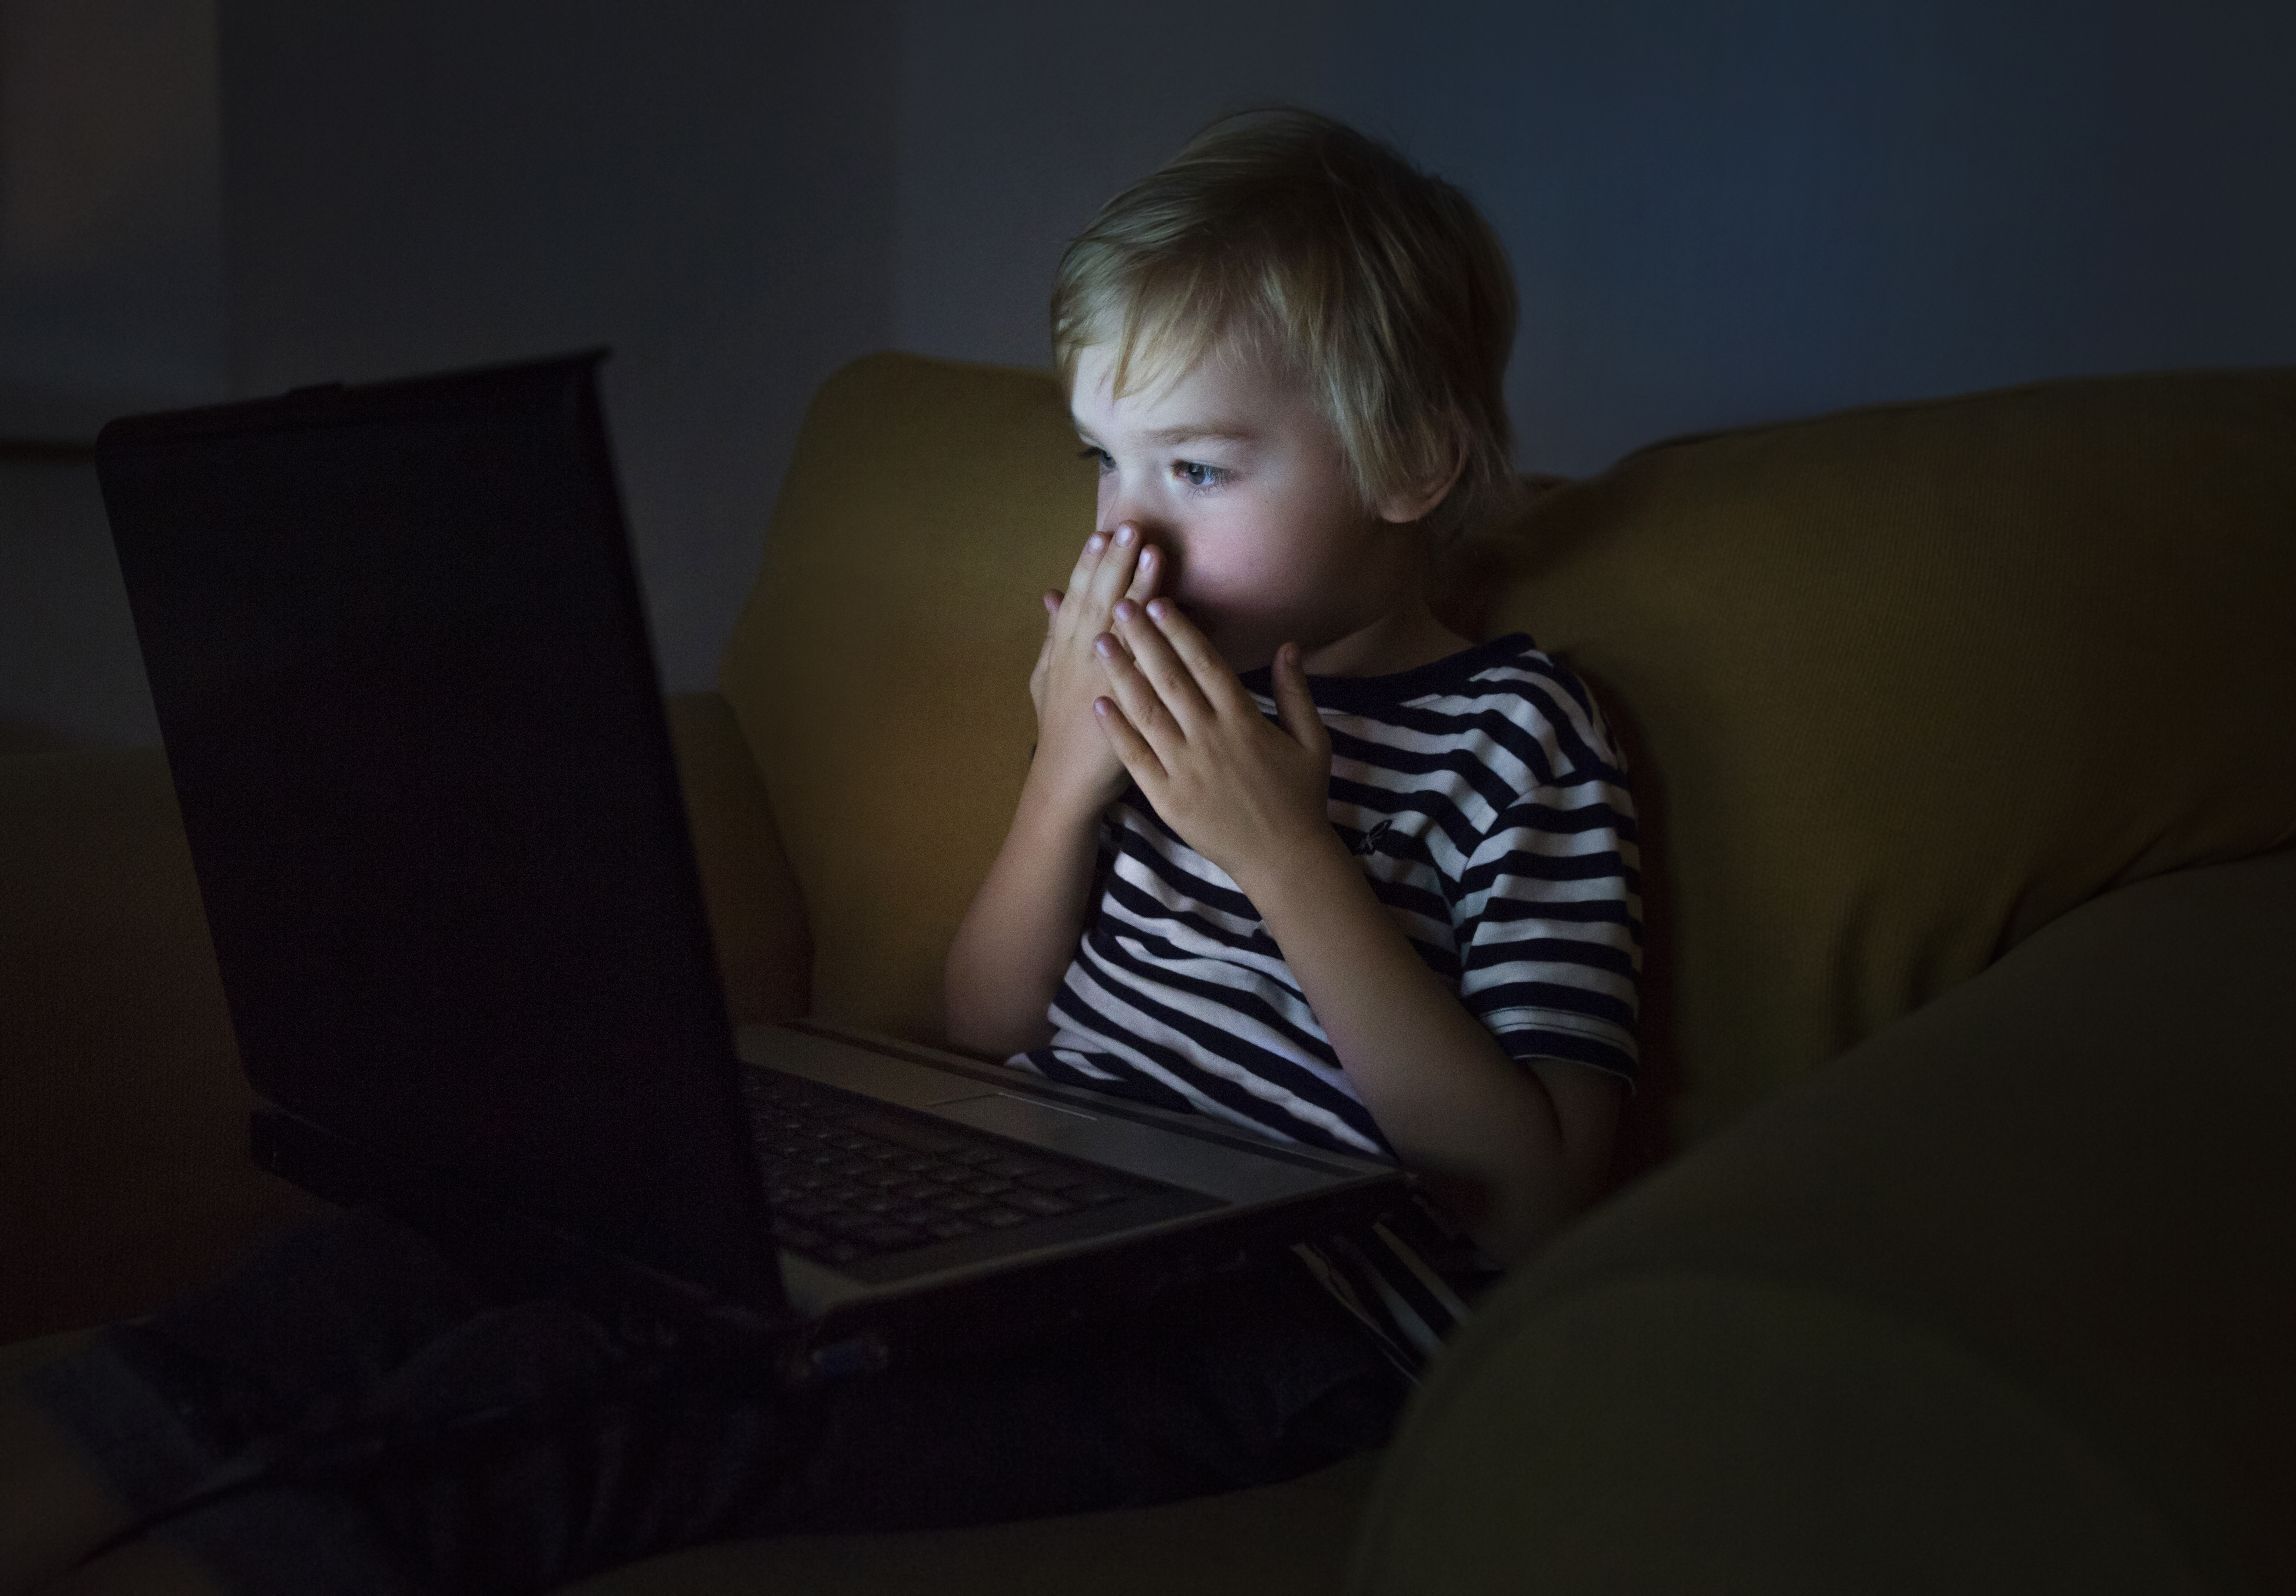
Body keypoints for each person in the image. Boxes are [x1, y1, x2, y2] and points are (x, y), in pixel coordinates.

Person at [0, 108, 1639, 1596]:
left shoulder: (1519, 729)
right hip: (1052, 1209)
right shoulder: (1154, 695)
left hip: (1280, 1320)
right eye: (1105, 463)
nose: (1121, 537)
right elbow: (992, 1026)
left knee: (609, 1409)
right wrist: (1065, 780)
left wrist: (1287, 859)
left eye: (1198, 468)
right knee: (415, 1262)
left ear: (1413, 462)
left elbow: (1532, 1195)